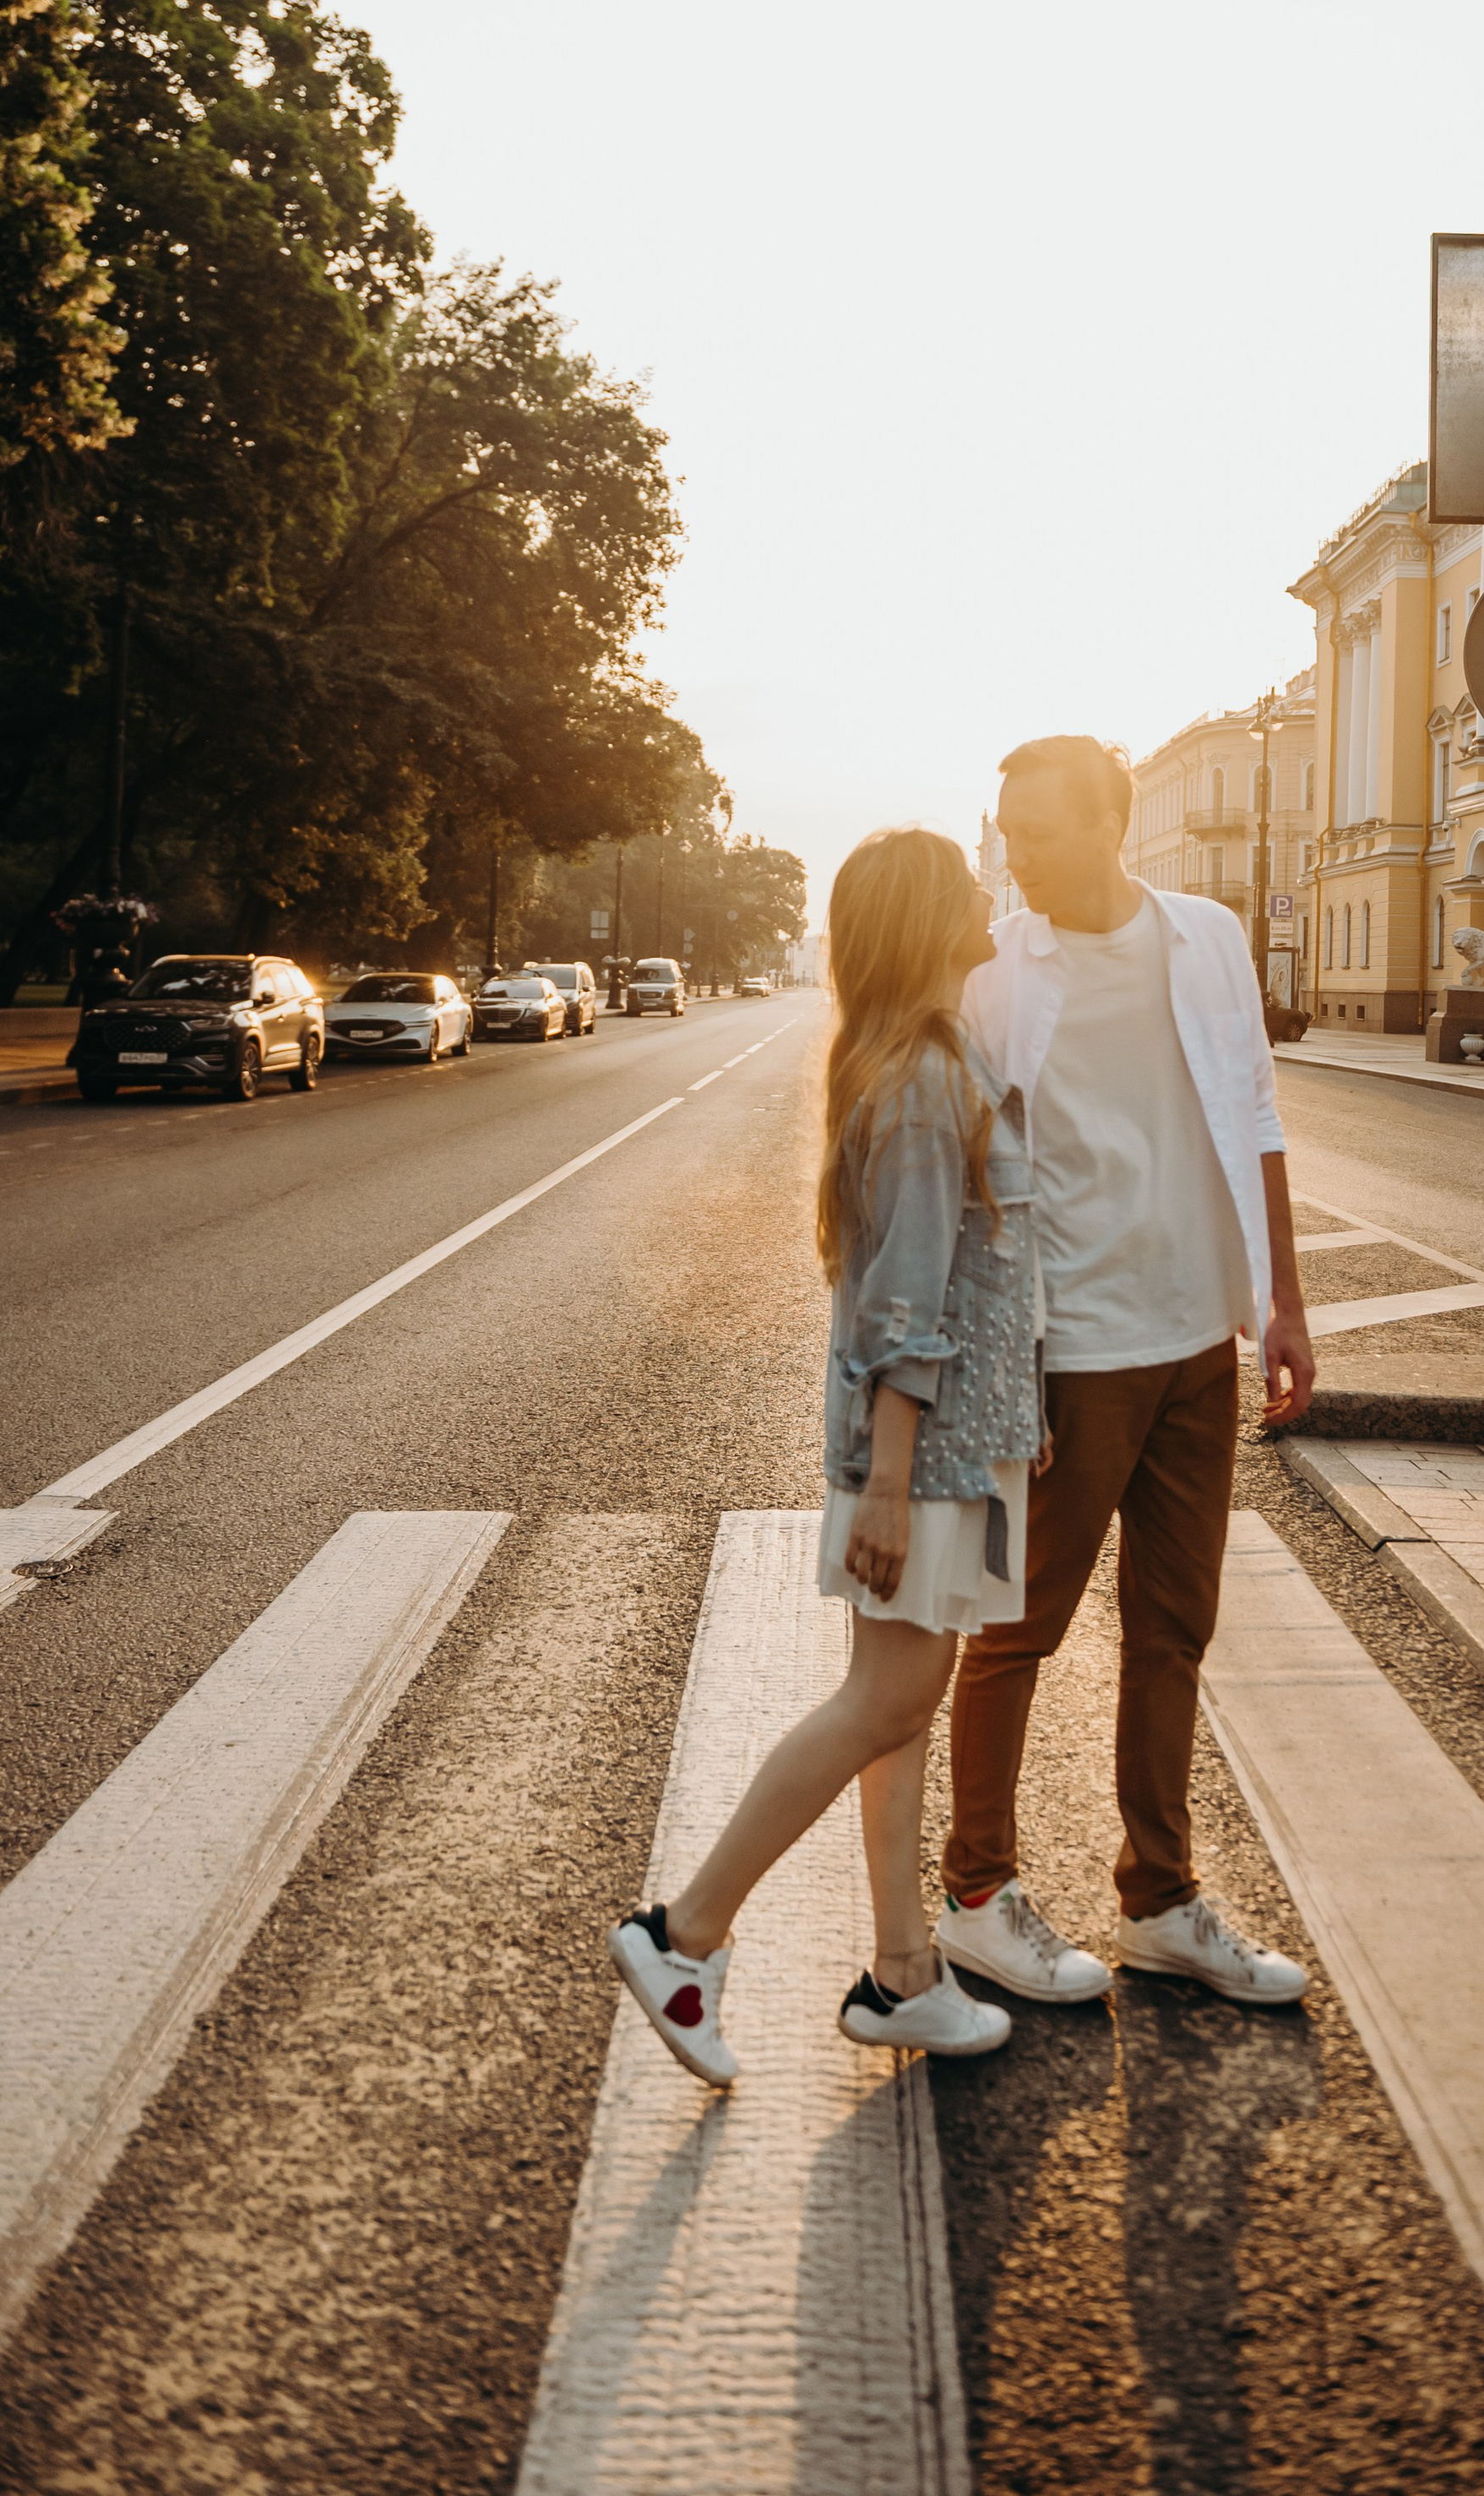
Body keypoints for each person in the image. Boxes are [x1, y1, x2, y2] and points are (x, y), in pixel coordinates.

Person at [610, 826, 1046, 2088]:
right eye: (964, 885)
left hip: (959, 1442)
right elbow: (905, 1304)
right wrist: (896, 1484)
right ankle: (681, 1932)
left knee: (899, 1708)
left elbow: (976, 1278)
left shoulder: (934, 1058)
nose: (986, 891)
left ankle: (905, 1974)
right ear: (923, 920)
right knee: (888, 1702)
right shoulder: (919, 1079)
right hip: (929, 1455)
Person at [937, 732, 1315, 2010]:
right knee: (1017, 1629)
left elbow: (1255, 1115)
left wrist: (1283, 1307)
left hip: (1197, 1340)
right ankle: (976, 1894)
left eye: (1036, 828)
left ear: (1109, 824)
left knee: (1173, 1632)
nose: (1016, 852)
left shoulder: (1204, 935)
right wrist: (1010, 1359)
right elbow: (979, 1175)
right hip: (1076, 1351)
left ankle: (1160, 1899)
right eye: (1007, 828)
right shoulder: (995, 969)